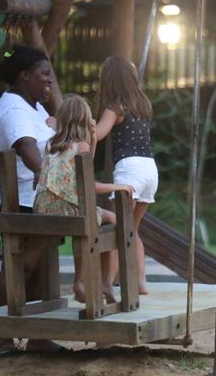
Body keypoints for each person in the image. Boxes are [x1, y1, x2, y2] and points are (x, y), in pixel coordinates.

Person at [0, 43, 63, 356]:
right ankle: (3, 338)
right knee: (22, 264)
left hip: (40, 196)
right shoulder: (15, 109)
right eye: (44, 74)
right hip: (20, 199)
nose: (49, 80)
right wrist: (61, 183)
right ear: (23, 75)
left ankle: (37, 335)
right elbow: (30, 154)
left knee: (40, 264)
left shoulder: (32, 104)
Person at [33, 94, 135, 304]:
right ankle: (98, 281)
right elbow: (88, 184)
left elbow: (80, 173)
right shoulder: (81, 146)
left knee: (86, 221)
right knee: (113, 219)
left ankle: (86, 281)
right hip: (69, 211)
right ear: (85, 122)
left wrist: (94, 140)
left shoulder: (50, 144)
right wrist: (119, 186)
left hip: (43, 210)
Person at [95, 56, 158, 295]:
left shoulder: (115, 107)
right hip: (150, 170)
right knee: (131, 229)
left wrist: (83, 127)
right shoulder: (143, 105)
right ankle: (140, 282)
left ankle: (106, 284)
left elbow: (99, 133)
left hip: (130, 169)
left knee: (117, 228)